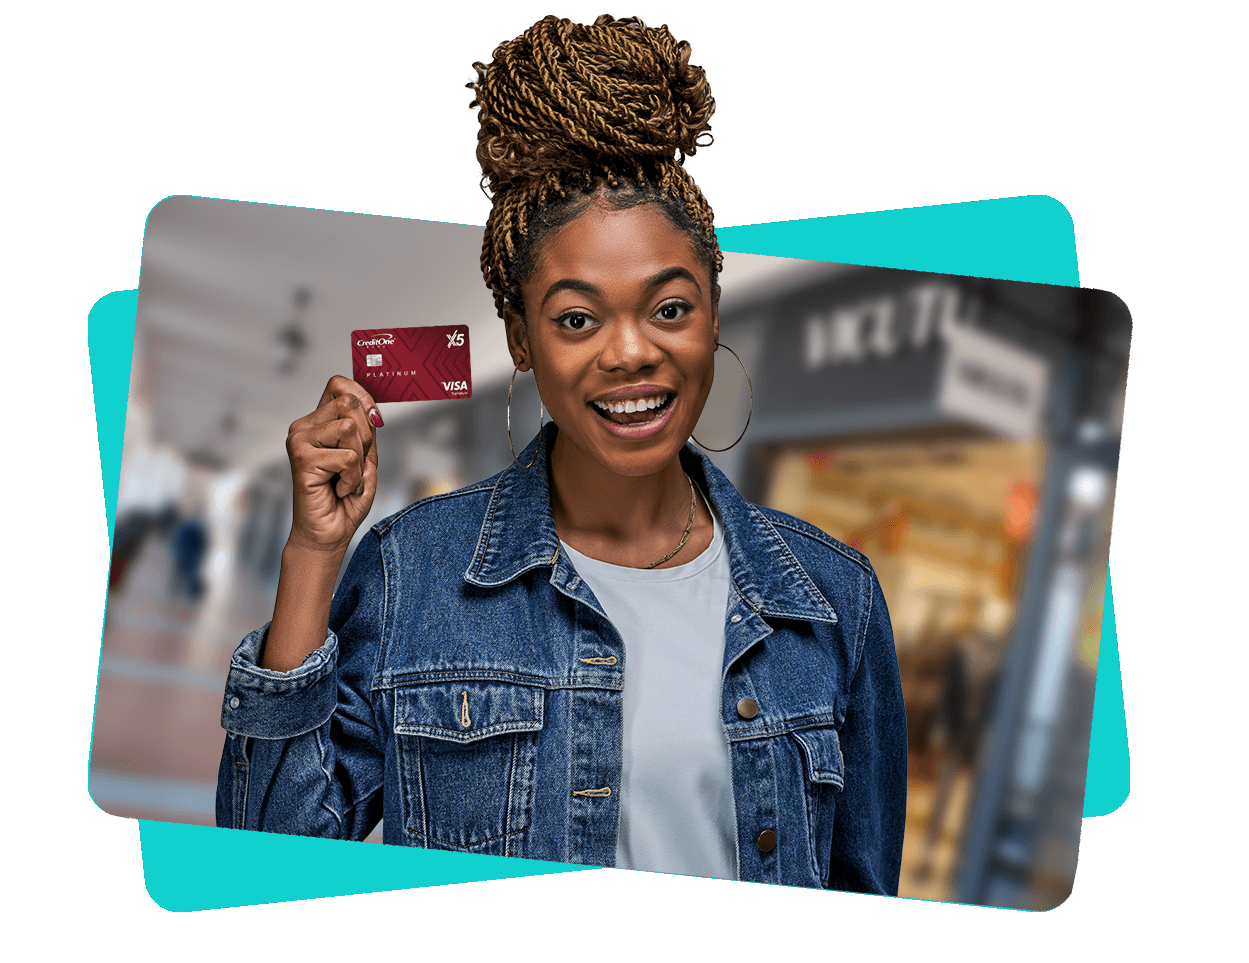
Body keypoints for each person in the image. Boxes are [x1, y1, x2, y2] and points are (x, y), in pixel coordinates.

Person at [217, 14, 906, 893]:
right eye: (578, 318)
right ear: (524, 338)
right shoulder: (409, 575)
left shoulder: (833, 599)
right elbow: (262, 858)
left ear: (714, 318)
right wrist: (314, 554)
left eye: (669, 308)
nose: (629, 353)